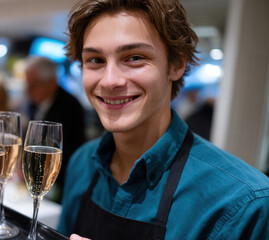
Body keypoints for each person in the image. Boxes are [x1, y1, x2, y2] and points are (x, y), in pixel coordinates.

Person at [58, 0, 269, 240]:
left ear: (177, 64)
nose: (109, 81)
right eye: (96, 60)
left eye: (134, 57)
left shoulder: (244, 204)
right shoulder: (81, 163)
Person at [24, 56, 86, 202]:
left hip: (62, 184)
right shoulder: (33, 102)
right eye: (27, 84)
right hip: (35, 182)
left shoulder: (71, 106)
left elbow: (72, 150)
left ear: (52, 82)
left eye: (34, 85)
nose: (28, 90)